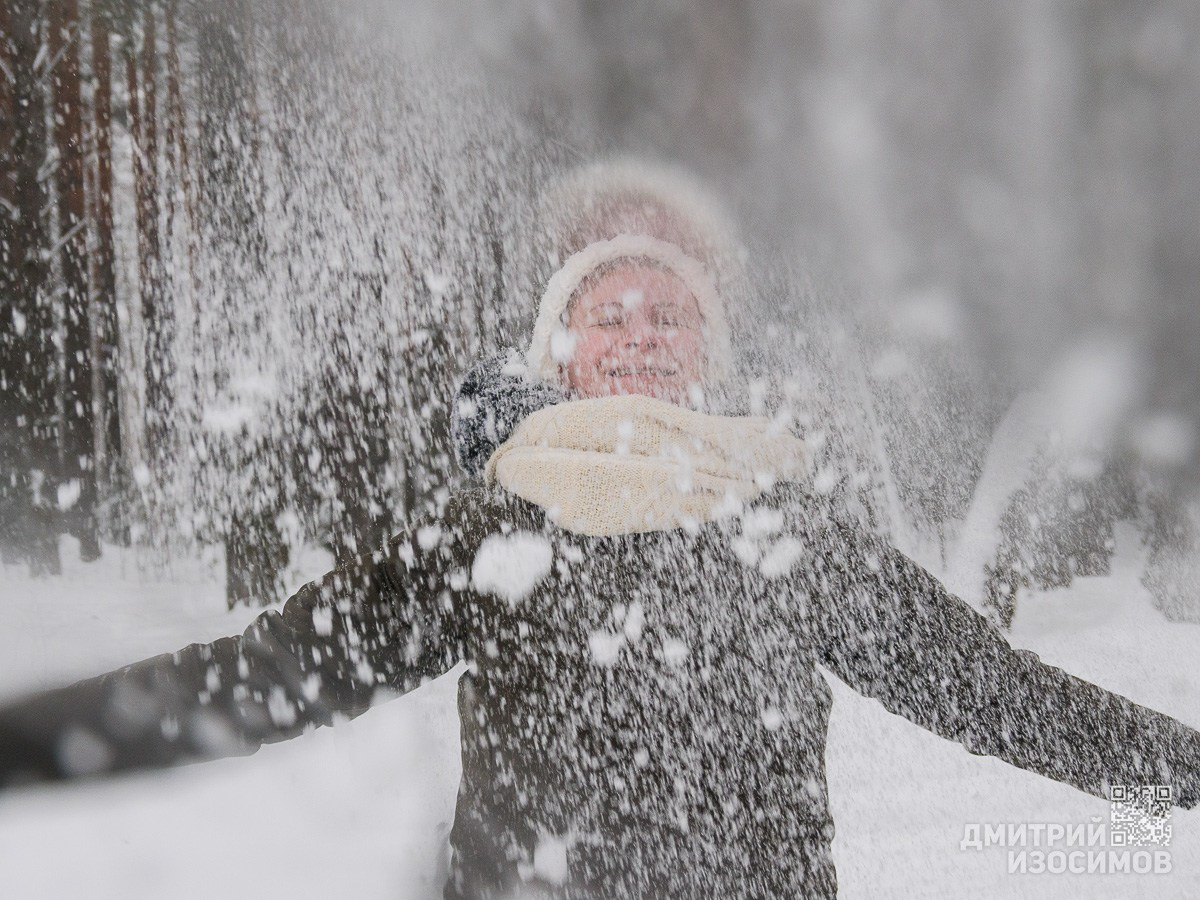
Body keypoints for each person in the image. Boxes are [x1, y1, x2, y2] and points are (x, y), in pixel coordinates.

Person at [2, 160, 1199, 900]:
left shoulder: (782, 520)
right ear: (558, 352)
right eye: (607, 312)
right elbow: (267, 677)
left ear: (706, 352)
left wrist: (1184, 775)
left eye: (669, 314)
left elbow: (990, 691)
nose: (641, 332)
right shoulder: (495, 521)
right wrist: (36, 744)